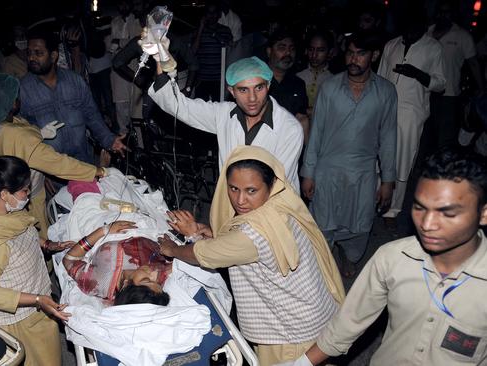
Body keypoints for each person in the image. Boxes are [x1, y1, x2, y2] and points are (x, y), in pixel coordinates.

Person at [286, 148, 487, 366]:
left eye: (447, 213)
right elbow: (347, 324)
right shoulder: (392, 258)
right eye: (420, 208)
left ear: (483, 213)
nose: (427, 224)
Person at [158, 145, 345, 364]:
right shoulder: (281, 205)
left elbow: (204, 254)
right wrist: (213, 234)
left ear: (271, 185)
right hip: (314, 316)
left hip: (289, 334)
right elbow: (238, 241)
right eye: (234, 188)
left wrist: (173, 248)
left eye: (251, 190)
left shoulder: (253, 233)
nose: (240, 200)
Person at [0, 156, 70, 366]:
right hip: (20, 322)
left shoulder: (10, 213)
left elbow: (23, 232)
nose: (28, 195)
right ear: (5, 194)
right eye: (24, 191)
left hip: (36, 310)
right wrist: (37, 300)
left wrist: (46, 244)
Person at [301, 32, 397, 277]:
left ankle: (348, 255)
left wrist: (387, 180)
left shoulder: (386, 91)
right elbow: (317, 131)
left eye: (361, 54)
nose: (354, 59)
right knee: (323, 221)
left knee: (360, 222)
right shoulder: (330, 87)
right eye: (350, 53)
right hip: (328, 168)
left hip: (363, 170)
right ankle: (324, 259)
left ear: (374, 56)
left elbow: (388, 137)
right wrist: (308, 173)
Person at [0, 73, 107, 239]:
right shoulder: (19, 138)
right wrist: (99, 170)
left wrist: (39, 134)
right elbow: (60, 164)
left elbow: (14, 135)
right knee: (41, 236)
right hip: (26, 202)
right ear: (14, 103)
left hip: (0, 194)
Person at [148, 55, 303, 191]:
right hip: (233, 207)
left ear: (268, 86)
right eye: (243, 90)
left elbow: (278, 185)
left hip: (274, 215)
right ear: (231, 91)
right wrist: (159, 59)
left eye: (259, 88)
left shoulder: (289, 128)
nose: (252, 98)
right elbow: (180, 107)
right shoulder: (224, 114)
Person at [19, 26, 128, 164]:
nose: (31, 58)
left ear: (53, 56)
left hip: (83, 163)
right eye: (29, 53)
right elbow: (23, 134)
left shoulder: (74, 81)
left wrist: (109, 140)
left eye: (38, 53)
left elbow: (92, 115)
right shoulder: (23, 89)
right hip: (51, 169)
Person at [377, 12, 445, 223]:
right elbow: (379, 76)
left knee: (403, 161)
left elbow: (441, 83)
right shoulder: (392, 44)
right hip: (385, 108)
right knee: (377, 158)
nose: (410, 29)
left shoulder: (433, 47)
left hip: (411, 112)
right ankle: (375, 200)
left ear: (424, 26)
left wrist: (417, 73)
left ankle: (393, 209)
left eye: (416, 25)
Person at [62, 221, 172, 305]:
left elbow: (69, 260)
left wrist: (103, 230)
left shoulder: (100, 282)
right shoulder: (159, 277)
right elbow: (177, 260)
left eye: (146, 279)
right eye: (157, 282)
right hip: (144, 223)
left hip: (103, 224)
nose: (153, 273)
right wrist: (173, 249)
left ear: (125, 285)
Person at [425, 0, 484, 150]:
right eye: (440, 11)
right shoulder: (426, 32)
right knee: (425, 137)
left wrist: (482, 88)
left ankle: (443, 170)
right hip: (423, 93)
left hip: (448, 95)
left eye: (447, 12)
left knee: (445, 138)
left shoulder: (462, 36)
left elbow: (473, 63)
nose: (443, 15)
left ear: (453, 14)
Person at [266, 28, 310, 142]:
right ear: (269, 51)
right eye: (282, 48)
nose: (288, 53)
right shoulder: (256, 80)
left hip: (288, 147)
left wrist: (307, 157)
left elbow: (302, 119)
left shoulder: (298, 84)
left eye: (292, 49)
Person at [110, 0, 144, 134]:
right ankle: (124, 144)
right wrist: (121, 43)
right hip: (118, 72)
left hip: (134, 69)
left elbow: (138, 41)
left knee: (136, 110)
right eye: (120, 3)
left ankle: (139, 143)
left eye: (125, 3)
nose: (123, 6)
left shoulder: (136, 21)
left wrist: (120, 42)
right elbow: (110, 44)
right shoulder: (115, 22)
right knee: (121, 108)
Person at [192, 2, 233, 102]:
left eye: (214, 12)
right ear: (205, 15)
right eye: (209, 13)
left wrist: (215, 34)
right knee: (201, 111)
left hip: (220, 79)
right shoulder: (199, 31)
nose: (211, 16)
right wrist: (201, 28)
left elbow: (230, 48)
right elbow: (193, 51)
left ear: (219, 14)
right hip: (202, 79)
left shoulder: (225, 30)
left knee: (219, 110)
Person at [296, 31, 334, 118]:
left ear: (330, 52)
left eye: (320, 50)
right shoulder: (298, 75)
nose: (314, 55)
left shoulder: (334, 79)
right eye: (311, 49)